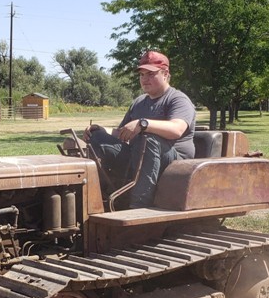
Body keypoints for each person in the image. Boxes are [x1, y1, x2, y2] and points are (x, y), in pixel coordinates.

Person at [84, 50, 196, 208]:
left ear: (165, 74)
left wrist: (143, 124)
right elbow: (123, 132)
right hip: (140, 154)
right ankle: (96, 199)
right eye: (142, 75)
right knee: (96, 137)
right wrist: (102, 130)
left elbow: (176, 129)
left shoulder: (177, 99)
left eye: (150, 74)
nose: (145, 79)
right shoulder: (139, 102)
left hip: (175, 163)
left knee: (148, 139)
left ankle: (139, 207)